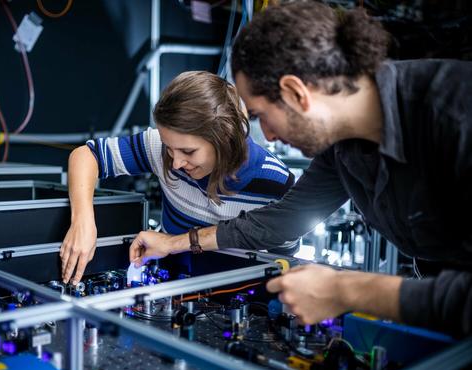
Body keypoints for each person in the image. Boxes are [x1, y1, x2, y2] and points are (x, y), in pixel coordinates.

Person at [129, 2, 472, 337]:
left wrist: (348, 290)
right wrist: (174, 243)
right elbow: (281, 221)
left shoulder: (456, 113)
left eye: (261, 115)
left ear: (296, 92)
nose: (270, 135)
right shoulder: (343, 147)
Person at [60, 70, 297, 285]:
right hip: (172, 287)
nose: (175, 163)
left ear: (224, 137)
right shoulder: (162, 148)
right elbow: (86, 155)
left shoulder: (276, 184)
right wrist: (82, 221)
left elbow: (284, 265)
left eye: (188, 151)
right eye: (169, 148)